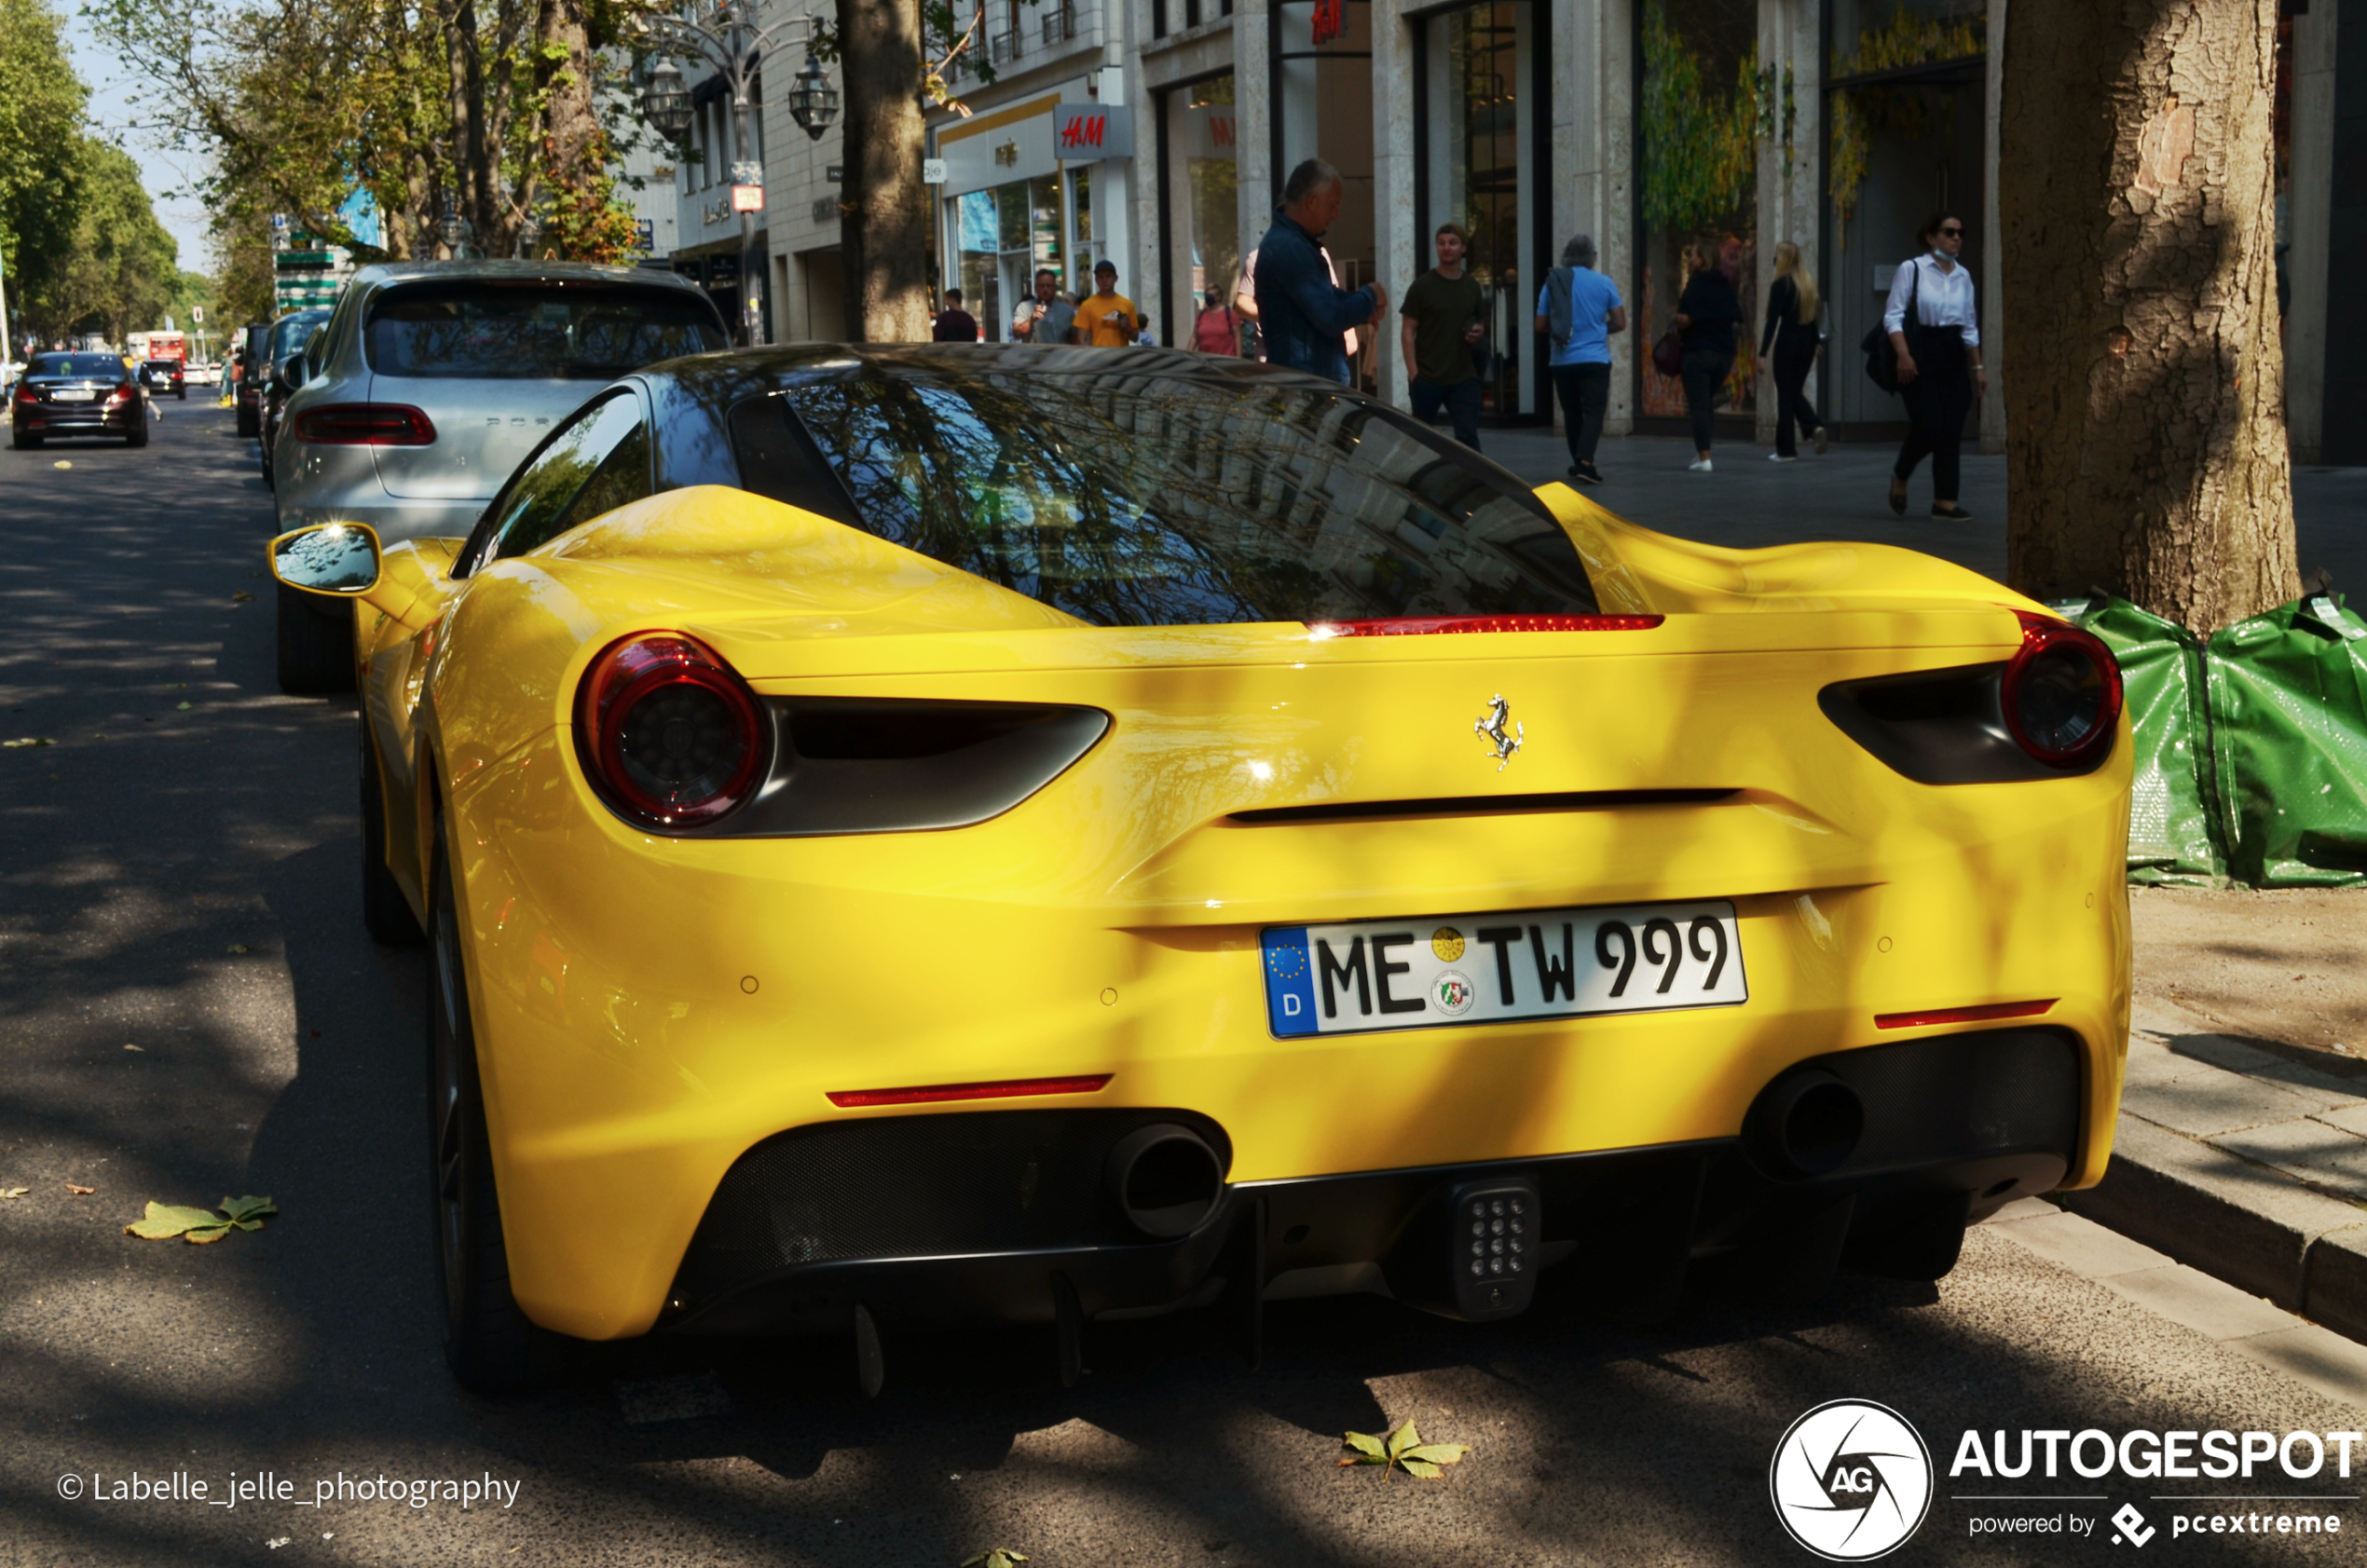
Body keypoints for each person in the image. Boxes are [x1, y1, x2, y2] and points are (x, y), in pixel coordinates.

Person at [1885, 212, 1986, 520]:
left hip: (1953, 351)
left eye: (1961, 233)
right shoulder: (1912, 269)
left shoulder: (1963, 276)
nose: (1957, 238)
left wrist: (1978, 369)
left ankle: (1945, 500)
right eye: (1949, 232)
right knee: (1929, 424)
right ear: (1931, 237)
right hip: (1921, 349)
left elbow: (1968, 325)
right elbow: (1893, 316)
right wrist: (1904, 355)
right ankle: (1901, 475)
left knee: (1952, 427)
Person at [1250, 158, 1384, 383]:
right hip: (1307, 388)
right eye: (1332, 205)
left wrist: (1362, 306)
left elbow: (1324, 300)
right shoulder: (1289, 248)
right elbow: (1331, 316)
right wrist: (1371, 295)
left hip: (1308, 384)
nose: (1335, 215)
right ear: (1311, 202)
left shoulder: (1292, 244)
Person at [1535, 233, 1625, 484]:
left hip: (1562, 361)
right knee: (1595, 410)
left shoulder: (1553, 282)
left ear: (1566, 257)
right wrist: (1597, 329)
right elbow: (1620, 322)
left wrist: (1564, 327)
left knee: (1572, 412)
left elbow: (1540, 324)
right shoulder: (1604, 282)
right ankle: (1585, 462)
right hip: (1595, 359)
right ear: (1592, 258)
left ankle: (1578, 462)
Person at [1400, 222, 1488, 450]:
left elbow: (1480, 322)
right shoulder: (1422, 286)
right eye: (1441, 243)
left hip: (1463, 376)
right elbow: (1408, 330)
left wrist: (1479, 332)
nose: (1446, 248)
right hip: (1428, 376)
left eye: (1452, 243)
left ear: (1463, 248)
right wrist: (1413, 375)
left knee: (1469, 441)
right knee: (1420, 441)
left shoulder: (1471, 286)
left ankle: (1470, 483)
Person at [1672, 243, 1742, 472]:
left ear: (1702, 259)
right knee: (1707, 403)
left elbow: (1684, 317)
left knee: (1699, 406)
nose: (1689, 260)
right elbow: (1734, 317)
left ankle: (1704, 458)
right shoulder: (1724, 285)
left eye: (1692, 256)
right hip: (1724, 354)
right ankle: (1704, 453)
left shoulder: (1696, 283)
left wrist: (1678, 320)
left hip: (1698, 351)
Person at [1757, 240, 1827, 461]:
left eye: (1777, 254)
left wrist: (1762, 353)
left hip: (1787, 342)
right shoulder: (1807, 283)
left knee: (1786, 396)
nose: (1774, 258)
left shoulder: (1780, 284)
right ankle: (1813, 427)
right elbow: (1815, 317)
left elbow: (1772, 322)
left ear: (1783, 258)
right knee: (1793, 391)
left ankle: (1786, 450)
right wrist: (1816, 341)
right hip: (1807, 343)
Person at [1074, 260, 1141, 346]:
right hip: (1098, 356)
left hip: (1120, 356)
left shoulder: (1127, 304)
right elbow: (1081, 339)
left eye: (1108, 276)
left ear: (1116, 278)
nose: (1104, 280)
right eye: (1101, 277)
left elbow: (1135, 338)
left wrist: (1128, 329)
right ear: (1096, 280)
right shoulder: (1087, 305)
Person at [1011, 268, 1077, 346]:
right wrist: (1032, 319)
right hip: (1034, 356)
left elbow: (1075, 341)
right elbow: (1017, 334)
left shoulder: (1066, 311)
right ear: (1036, 288)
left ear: (1055, 288)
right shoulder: (1024, 307)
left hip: (1060, 356)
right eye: (1042, 286)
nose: (1045, 289)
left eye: (1049, 286)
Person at [1189, 289, 1240, 355]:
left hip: (1225, 360)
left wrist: (1239, 358)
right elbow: (1194, 337)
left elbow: (1237, 336)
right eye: (1206, 295)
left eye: (1210, 295)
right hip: (1205, 359)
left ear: (1218, 297)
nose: (1207, 297)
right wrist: (1189, 354)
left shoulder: (1229, 313)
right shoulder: (1201, 315)